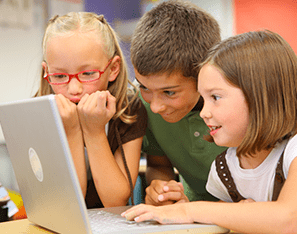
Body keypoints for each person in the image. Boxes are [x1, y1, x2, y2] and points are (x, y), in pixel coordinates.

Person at [122, 30, 297, 233]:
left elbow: (289, 220)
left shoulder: (293, 149)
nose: (204, 113)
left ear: (263, 96)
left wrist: (189, 211)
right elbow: (225, 219)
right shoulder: (225, 168)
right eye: (204, 100)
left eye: (215, 97)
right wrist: (180, 208)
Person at [35, 12, 147, 208]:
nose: (74, 89)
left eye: (87, 74)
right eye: (60, 76)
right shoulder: (39, 111)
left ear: (113, 69)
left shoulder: (130, 109)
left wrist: (94, 132)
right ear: (47, 72)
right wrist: (72, 132)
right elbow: (67, 204)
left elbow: (116, 201)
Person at [130, 0, 226, 204]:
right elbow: (158, 163)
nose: (155, 106)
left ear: (203, 75)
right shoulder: (144, 105)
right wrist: (162, 190)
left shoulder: (240, 104)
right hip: (193, 214)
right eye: (144, 87)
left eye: (169, 92)